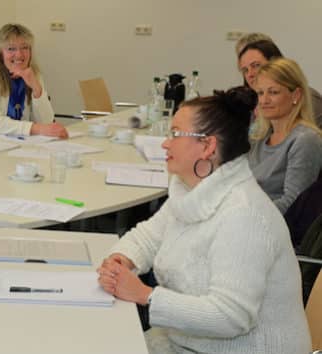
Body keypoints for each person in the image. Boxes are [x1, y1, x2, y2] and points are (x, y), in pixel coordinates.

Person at [97, 87, 311, 353]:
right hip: (185, 342)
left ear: (208, 146)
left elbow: (231, 316)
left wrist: (145, 296)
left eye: (175, 134)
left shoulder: (244, 215)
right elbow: (148, 236)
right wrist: (121, 259)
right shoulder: (190, 188)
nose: (165, 143)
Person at [249, 57, 322, 214]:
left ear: (295, 95)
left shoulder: (306, 139)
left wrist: (246, 218)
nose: (264, 100)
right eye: (260, 93)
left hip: (272, 227)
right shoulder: (259, 136)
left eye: (273, 92)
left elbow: (292, 203)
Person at [237, 38, 322, 127]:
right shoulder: (251, 102)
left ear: (275, 63)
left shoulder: (309, 97)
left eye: (256, 65)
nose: (250, 74)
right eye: (245, 70)